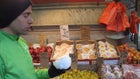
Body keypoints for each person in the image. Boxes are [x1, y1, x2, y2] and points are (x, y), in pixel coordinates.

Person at [0, 0, 71, 79]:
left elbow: (29, 74)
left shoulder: (20, 41)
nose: (31, 21)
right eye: (26, 15)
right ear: (10, 15)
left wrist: (49, 73)